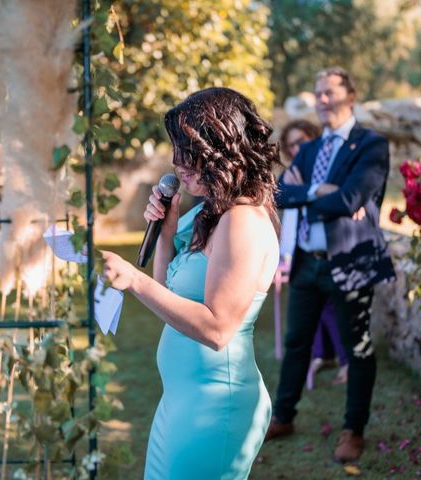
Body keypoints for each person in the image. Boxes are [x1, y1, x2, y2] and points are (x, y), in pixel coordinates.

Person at [101, 87, 280, 479]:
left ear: (221, 147)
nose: (176, 162)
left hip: (215, 407)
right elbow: (167, 291)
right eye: (175, 150)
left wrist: (132, 279)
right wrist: (165, 233)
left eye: (187, 149)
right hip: (181, 402)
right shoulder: (214, 215)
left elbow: (218, 329)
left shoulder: (243, 222)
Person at [266, 67, 395, 463]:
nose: (322, 100)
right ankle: (284, 416)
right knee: (296, 344)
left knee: (357, 349)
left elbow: (350, 200)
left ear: (350, 96)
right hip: (307, 263)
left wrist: (318, 196)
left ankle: (353, 430)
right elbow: (278, 193)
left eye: (329, 93)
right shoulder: (308, 149)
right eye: (318, 93)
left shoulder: (370, 144)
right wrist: (317, 189)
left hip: (350, 262)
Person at [280, 120, 349, 385]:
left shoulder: (327, 168)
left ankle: (346, 361)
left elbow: (334, 197)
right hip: (301, 249)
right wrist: (305, 191)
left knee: (332, 309)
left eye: (302, 141)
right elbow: (281, 193)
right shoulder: (293, 172)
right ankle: (322, 353)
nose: (297, 149)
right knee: (310, 312)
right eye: (291, 145)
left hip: (331, 250)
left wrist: (303, 191)